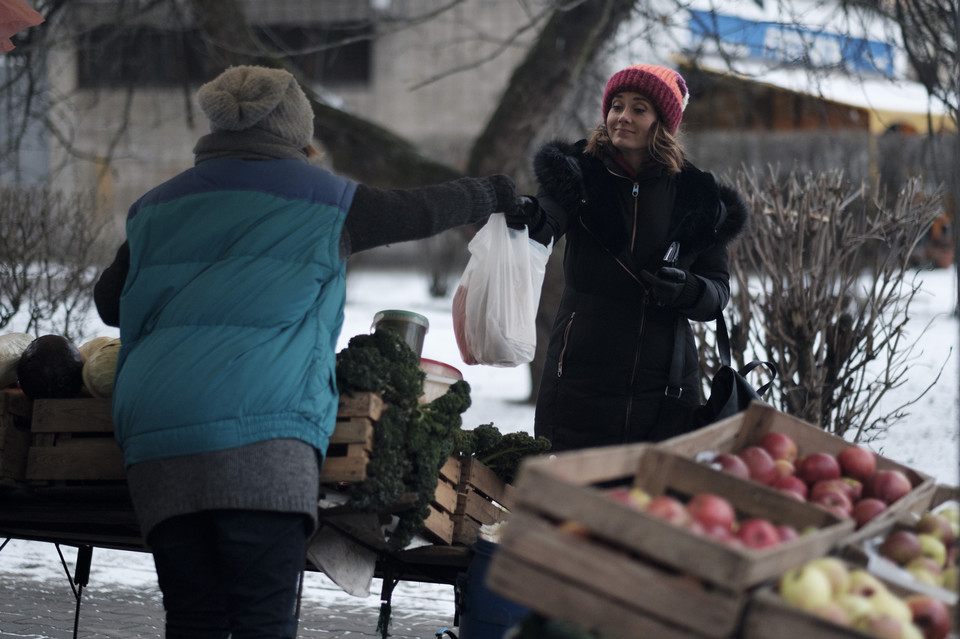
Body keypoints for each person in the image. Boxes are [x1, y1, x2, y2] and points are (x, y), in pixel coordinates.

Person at [93, 65, 532, 638]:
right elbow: (419, 210)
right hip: (264, 436)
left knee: (194, 617)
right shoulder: (327, 201)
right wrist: (491, 193)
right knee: (261, 621)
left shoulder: (154, 207)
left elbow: (110, 303)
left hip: (157, 440)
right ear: (297, 129)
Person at [521, 63, 749, 452]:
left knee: (652, 505)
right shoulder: (578, 174)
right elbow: (545, 222)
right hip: (579, 380)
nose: (622, 117)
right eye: (616, 106)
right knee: (572, 502)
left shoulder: (698, 195)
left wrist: (688, 290)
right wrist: (524, 213)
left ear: (662, 122)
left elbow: (718, 291)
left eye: (639, 108)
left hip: (666, 389)